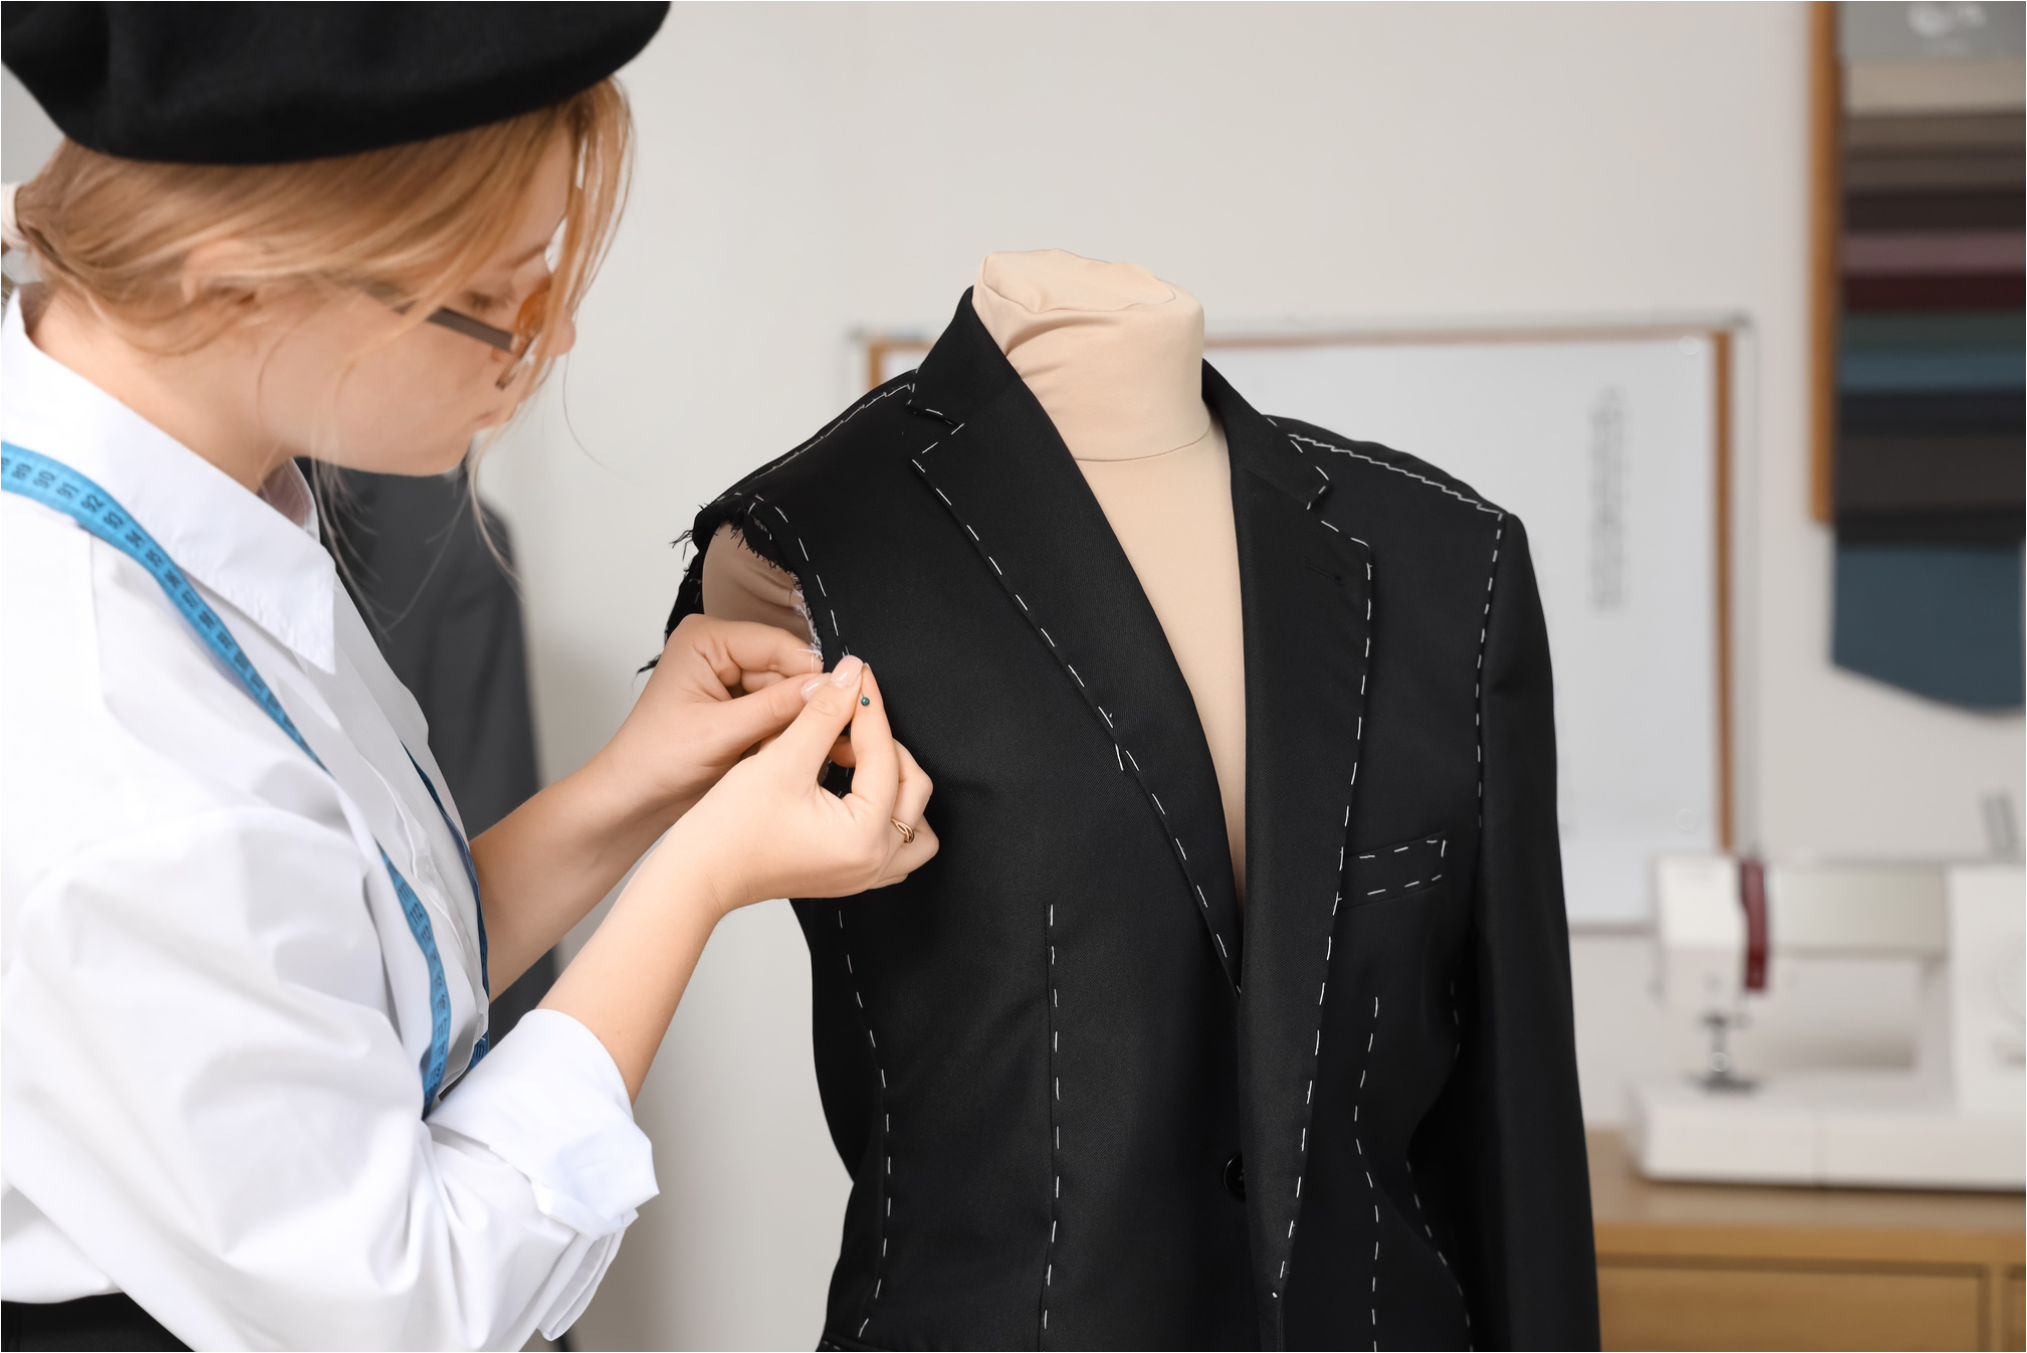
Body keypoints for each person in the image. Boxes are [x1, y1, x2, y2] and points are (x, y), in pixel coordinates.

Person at [0, 4, 937, 1350]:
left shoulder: (199, 492)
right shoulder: (104, 735)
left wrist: (634, 786)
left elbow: (343, 971)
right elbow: (411, 1301)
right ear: (239, 279)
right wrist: (699, 878)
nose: (547, 343)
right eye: (492, 299)